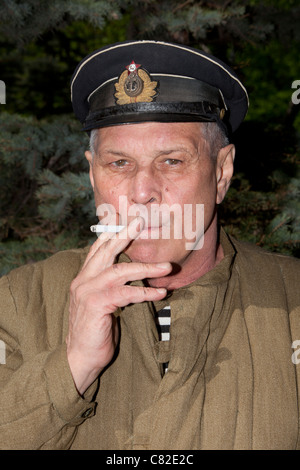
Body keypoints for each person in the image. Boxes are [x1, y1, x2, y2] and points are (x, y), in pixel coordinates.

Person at [0, 40, 299, 450]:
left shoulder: (293, 304)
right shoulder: (18, 301)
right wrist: (73, 367)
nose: (142, 192)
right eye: (119, 163)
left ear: (222, 172)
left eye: (172, 161)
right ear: (92, 175)